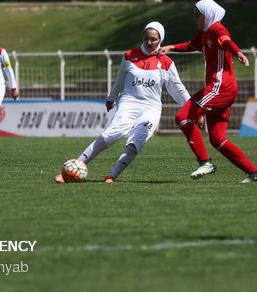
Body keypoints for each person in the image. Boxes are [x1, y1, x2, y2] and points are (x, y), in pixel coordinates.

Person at [55, 22, 190, 183]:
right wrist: (111, 97)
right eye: (146, 38)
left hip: (151, 109)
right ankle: (69, 172)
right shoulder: (129, 56)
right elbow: (120, 80)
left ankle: (112, 176)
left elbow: (178, 89)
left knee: (135, 142)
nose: (149, 42)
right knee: (110, 135)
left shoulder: (167, 63)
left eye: (153, 39)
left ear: (160, 40)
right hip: (129, 103)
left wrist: (193, 109)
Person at [158, 0, 257, 183]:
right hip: (224, 90)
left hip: (220, 87)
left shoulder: (217, 29)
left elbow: (226, 41)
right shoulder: (204, 32)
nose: (194, 18)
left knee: (182, 117)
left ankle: (205, 162)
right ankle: (254, 173)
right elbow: (192, 45)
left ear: (207, 15)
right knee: (217, 139)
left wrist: (238, 52)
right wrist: (171, 47)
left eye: (197, 15)